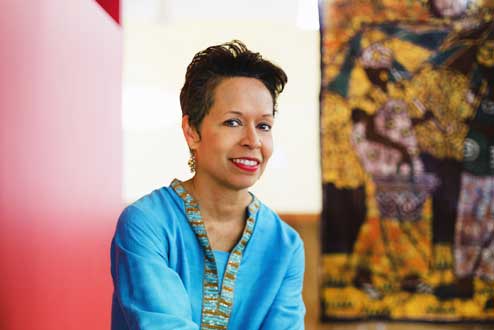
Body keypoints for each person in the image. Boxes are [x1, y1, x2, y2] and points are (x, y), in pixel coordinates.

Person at [110, 40, 306, 330]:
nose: (253, 141)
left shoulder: (285, 246)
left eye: (264, 126)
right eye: (233, 122)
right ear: (192, 132)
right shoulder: (146, 224)